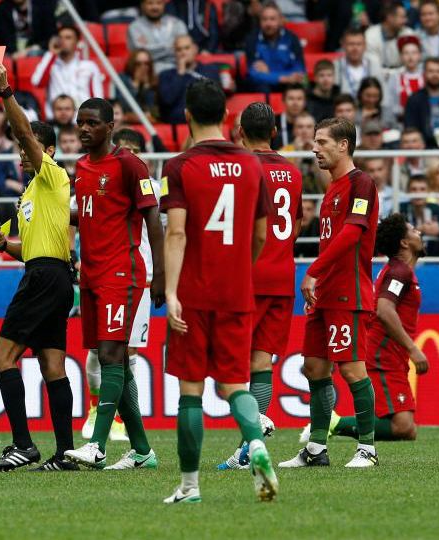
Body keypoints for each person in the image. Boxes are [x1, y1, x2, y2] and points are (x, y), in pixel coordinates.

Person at [156, 80, 277, 503]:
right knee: (235, 385)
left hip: (193, 293)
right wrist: (240, 268)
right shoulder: (250, 165)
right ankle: (256, 443)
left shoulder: (178, 166)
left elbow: (176, 233)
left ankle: (190, 486)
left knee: (191, 390)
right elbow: (261, 235)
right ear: (227, 118)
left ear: (186, 116)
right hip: (236, 291)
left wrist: (171, 292)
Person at [0, 60, 76, 472]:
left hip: (44, 278)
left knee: (3, 358)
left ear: (47, 150)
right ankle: (66, 453)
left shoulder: (52, 174)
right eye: (22, 148)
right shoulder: (28, 197)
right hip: (51, 274)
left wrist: (5, 92)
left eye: (30, 146)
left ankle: (23, 444)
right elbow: (31, 249)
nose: (23, 151)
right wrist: (7, 245)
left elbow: (22, 130)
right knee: (52, 365)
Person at [62, 97, 164, 473]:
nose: (84, 129)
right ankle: (141, 450)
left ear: (109, 126)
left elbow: (153, 217)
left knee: (110, 356)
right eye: (79, 123)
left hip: (122, 273)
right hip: (91, 274)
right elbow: (88, 212)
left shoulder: (129, 164)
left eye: (91, 123)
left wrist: (162, 277)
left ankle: (97, 445)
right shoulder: (82, 166)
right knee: (116, 360)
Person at [280, 116, 380, 470]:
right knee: (314, 367)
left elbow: (353, 235)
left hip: (347, 293)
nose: (314, 148)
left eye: (322, 142)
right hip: (324, 294)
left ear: (344, 145)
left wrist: (314, 271)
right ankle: (316, 448)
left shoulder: (361, 184)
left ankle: (367, 448)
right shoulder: (332, 189)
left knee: (353, 370)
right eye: (315, 142)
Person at [217, 102, 302, 471]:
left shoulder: (241, 169)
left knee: (230, 366)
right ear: (273, 133)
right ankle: (247, 450)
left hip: (246, 276)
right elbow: (295, 224)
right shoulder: (294, 172)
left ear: (239, 133)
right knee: (262, 361)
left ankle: (252, 433)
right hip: (283, 276)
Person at [320, 214, 429, 442]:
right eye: (413, 230)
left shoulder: (397, 270)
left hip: (390, 356)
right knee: (403, 427)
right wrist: (413, 349)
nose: (419, 233)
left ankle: (337, 424)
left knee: (406, 428)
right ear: (404, 242)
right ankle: (334, 423)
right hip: (382, 356)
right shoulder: (400, 272)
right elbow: (384, 310)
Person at [79, 127, 155, 446]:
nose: (130, 155)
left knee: (124, 352)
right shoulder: (91, 176)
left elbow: (162, 230)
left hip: (137, 278)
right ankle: (101, 412)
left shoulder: (147, 186)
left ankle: (114, 428)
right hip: (100, 275)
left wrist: (163, 274)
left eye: (135, 150)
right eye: (125, 149)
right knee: (102, 352)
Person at [31, 24, 104, 114]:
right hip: (56, 120)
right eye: (60, 38)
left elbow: (98, 99)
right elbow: (37, 82)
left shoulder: (89, 66)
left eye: (68, 38)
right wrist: (52, 53)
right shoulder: (50, 63)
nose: (63, 41)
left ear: (77, 42)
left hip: (83, 120)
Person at [244, 2, 305, 93]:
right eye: (264, 19)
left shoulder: (292, 38)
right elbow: (253, 73)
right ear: (260, 21)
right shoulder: (252, 39)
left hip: (288, 85)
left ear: (281, 20)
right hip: (263, 87)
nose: (268, 23)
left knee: (299, 86)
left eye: (272, 19)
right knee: (259, 86)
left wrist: (270, 72)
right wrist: (283, 78)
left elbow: (299, 71)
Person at [129, 0, 188, 74]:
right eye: (150, 3)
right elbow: (142, 54)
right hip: (149, 72)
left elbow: (185, 49)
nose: (155, 7)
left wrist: (151, 49)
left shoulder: (177, 23)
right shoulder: (135, 27)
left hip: (179, 68)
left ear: (164, 4)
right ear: (142, 5)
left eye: (159, 3)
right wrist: (171, 47)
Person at [400, 175, 439, 256]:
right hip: (407, 257)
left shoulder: (436, 209)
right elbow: (394, 232)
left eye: (422, 189)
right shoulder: (401, 208)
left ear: (428, 192)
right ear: (408, 192)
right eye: (414, 189)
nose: (418, 193)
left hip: (433, 259)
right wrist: (419, 230)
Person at [335, 27, 385, 97]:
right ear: (343, 45)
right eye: (351, 44)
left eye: (359, 44)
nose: (355, 48)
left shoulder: (374, 65)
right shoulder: (335, 66)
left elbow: (382, 92)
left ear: (365, 46)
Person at [365, 1, 415, 69]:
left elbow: (412, 64)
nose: (405, 21)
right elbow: (373, 66)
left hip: (403, 76)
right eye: (402, 17)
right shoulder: (370, 35)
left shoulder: (409, 34)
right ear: (389, 17)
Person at [114, 49, 159, 125]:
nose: (143, 67)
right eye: (138, 64)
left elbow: (153, 113)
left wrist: (146, 87)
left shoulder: (153, 82)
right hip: (125, 124)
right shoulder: (122, 79)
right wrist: (136, 84)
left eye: (146, 63)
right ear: (132, 64)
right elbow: (124, 106)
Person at [386, 35, 424, 121]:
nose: (410, 57)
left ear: (419, 55)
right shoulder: (395, 77)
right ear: (401, 56)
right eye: (406, 53)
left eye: (414, 53)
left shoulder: (426, 75)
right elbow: (390, 103)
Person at [272, 83, 306, 150]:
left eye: (299, 99)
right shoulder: (273, 123)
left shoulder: (312, 123)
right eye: (291, 98)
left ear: (305, 102)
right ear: (283, 101)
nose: (295, 103)